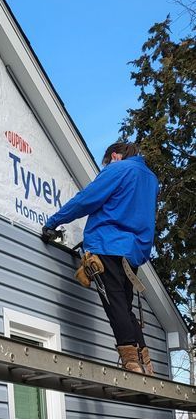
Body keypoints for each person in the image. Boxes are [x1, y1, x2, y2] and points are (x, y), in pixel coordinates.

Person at [41, 141, 158, 375]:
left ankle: (131, 362)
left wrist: (53, 222)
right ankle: (145, 361)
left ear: (114, 156)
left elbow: (86, 199)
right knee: (124, 306)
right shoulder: (151, 179)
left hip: (108, 246)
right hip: (134, 252)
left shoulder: (118, 169)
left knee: (115, 304)